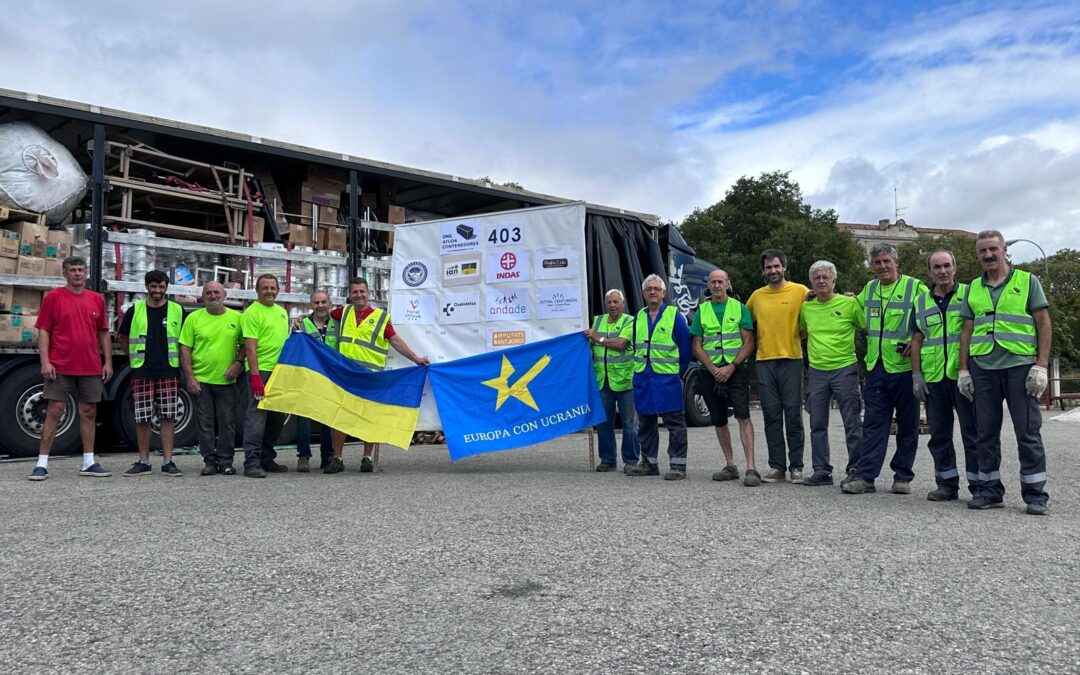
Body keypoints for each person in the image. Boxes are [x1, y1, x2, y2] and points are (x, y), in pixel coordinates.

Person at [958, 231, 1051, 515]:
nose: (988, 255)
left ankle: (1035, 495)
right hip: (984, 368)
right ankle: (990, 491)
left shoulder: (1027, 281)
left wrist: (1041, 365)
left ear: (1004, 250)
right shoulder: (973, 288)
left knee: (1027, 432)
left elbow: (1043, 323)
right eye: (982, 251)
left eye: (993, 249)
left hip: (1020, 366)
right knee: (985, 433)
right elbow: (967, 331)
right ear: (977, 254)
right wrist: (963, 369)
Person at [843, 244, 928, 495]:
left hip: (905, 367)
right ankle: (866, 476)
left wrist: (917, 341)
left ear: (896, 262)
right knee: (873, 424)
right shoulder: (870, 289)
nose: (882, 266)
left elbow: (931, 318)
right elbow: (852, 308)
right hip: (877, 366)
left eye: (886, 261)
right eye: (877, 262)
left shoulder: (915, 287)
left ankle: (902, 477)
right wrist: (820, 295)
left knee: (908, 425)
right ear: (872, 267)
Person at [325, 277, 430, 474]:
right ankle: (337, 458)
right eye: (355, 292)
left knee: (369, 417)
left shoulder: (381, 318)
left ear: (369, 293)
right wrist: (302, 320)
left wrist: (416, 359)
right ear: (349, 295)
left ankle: (367, 457)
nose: (359, 295)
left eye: (362, 291)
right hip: (347, 374)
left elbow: (395, 341)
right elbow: (322, 314)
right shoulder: (343, 312)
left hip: (370, 376)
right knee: (340, 417)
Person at [28, 256, 113, 481]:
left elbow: (103, 331)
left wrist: (108, 361)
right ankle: (41, 464)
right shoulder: (54, 297)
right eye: (73, 270)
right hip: (60, 365)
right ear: (65, 274)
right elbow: (44, 330)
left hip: (90, 365)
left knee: (89, 411)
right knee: (54, 411)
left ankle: (88, 462)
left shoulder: (96, 299)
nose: (77, 273)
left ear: (86, 273)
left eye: (81, 270)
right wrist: (45, 361)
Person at [910, 250, 978, 502]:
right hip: (934, 378)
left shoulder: (970, 294)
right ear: (929, 272)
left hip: (963, 375)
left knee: (973, 432)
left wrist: (969, 370)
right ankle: (946, 484)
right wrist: (916, 374)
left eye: (947, 265)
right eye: (937, 267)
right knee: (939, 434)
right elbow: (917, 340)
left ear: (955, 268)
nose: (942, 271)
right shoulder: (920, 302)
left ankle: (979, 486)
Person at [690, 269, 760, 487]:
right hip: (709, 372)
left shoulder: (739, 308)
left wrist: (732, 366)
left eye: (720, 281)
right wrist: (713, 369)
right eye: (713, 282)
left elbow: (749, 342)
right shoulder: (702, 310)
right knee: (719, 419)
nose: (717, 285)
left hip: (735, 370)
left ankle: (751, 468)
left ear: (728, 284)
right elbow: (697, 345)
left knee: (743, 416)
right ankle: (730, 465)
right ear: (708, 285)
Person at [746, 249, 809, 483]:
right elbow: (744, 323)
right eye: (768, 267)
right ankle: (777, 467)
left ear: (784, 267)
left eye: (776, 266)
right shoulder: (757, 296)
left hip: (791, 359)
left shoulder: (801, 291)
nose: (773, 271)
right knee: (771, 416)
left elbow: (814, 318)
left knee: (793, 415)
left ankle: (797, 467)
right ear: (763, 271)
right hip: (764, 361)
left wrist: (795, 337)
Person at [798, 260, 863, 486]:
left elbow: (866, 325)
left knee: (852, 422)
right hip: (817, 370)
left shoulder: (849, 304)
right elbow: (802, 331)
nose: (821, 281)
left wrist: (858, 299)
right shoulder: (807, 307)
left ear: (834, 280)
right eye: (817, 278)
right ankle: (821, 470)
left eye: (825, 277)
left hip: (845, 368)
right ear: (811, 282)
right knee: (817, 423)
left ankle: (856, 468)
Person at [118, 270, 185, 477]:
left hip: (169, 370)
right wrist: (133, 358)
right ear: (147, 287)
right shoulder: (135, 310)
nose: (157, 290)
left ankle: (168, 462)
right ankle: (144, 461)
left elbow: (185, 341)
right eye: (154, 286)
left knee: (168, 417)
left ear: (166, 288)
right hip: (142, 371)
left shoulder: (177, 310)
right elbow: (123, 337)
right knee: (142, 417)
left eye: (161, 286)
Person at [626, 274, 692, 480]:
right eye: (649, 289)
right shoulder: (638, 317)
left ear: (664, 293)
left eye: (656, 289)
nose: (653, 292)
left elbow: (686, 348)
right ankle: (649, 463)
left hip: (667, 380)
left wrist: (678, 371)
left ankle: (678, 466)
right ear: (643, 293)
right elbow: (636, 345)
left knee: (675, 424)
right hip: (643, 379)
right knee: (645, 423)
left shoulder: (675, 316)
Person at [179, 281, 244, 476]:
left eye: (217, 292)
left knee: (227, 424)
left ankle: (226, 462)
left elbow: (246, 345)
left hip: (227, 381)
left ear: (225, 295)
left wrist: (238, 363)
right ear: (203, 296)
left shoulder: (237, 318)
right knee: (204, 424)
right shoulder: (193, 318)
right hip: (202, 381)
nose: (213, 296)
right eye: (209, 292)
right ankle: (209, 461)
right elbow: (185, 349)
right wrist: (190, 377)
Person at [240, 274, 291, 478]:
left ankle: (267, 458)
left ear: (278, 290)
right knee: (256, 417)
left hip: (279, 371)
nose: (269, 291)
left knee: (277, 417)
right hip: (261, 370)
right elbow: (250, 348)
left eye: (273, 287)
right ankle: (251, 462)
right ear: (257, 291)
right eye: (265, 288)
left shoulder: (282, 312)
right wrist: (255, 377)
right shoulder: (251, 313)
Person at [584, 289, 639, 473]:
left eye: (616, 302)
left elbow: (621, 343)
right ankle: (607, 460)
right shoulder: (598, 321)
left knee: (629, 423)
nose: (613, 305)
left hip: (625, 380)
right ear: (605, 304)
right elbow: (588, 345)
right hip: (603, 380)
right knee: (604, 423)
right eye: (609, 302)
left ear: (623, 304)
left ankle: (631, 460)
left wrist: (598, 338)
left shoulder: (629, 321)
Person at [292, 290, 337, 472]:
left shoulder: (337, 324)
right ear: (311, 305)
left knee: (328, 418)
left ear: (330, 304)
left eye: (324, 302)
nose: (320, 306)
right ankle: (303, 457)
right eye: (316, 302)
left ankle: (328, 457)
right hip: (308, 377)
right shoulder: (301, 325)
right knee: (303, 418)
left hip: (330, 378)